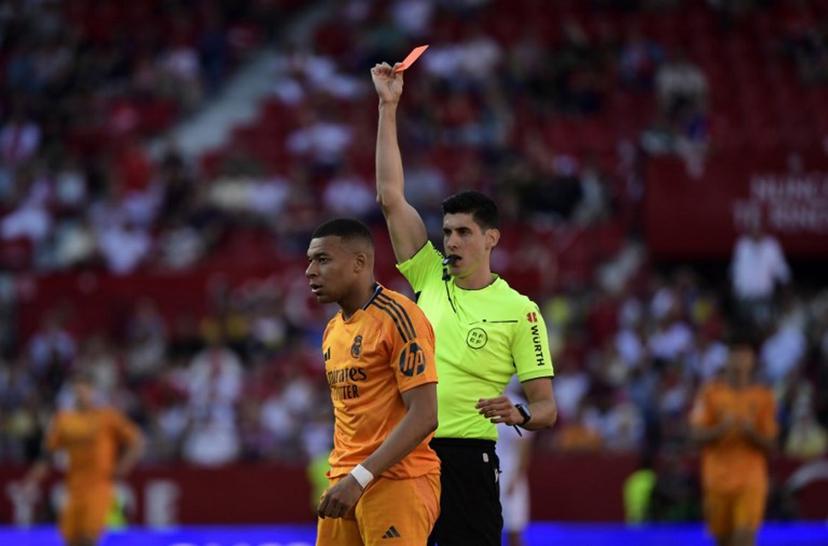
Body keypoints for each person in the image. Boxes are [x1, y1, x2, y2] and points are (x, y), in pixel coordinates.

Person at [371, 62, 558, 546]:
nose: (451, 241)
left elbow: (546, 408)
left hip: (470, 458)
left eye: (463, 233)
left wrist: (518, 414)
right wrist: (388, 107)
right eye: (447, 231)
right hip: (411, 452)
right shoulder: (429, 273)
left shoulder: (521, 310)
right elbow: (391, 197)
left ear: (490, 238)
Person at [306, 218, 440, 546]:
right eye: (310, 261)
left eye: (322, 259)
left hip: (397, 480)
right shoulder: (332, 330)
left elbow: (425, 414)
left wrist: (360, 476)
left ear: (360, 263)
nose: (310, 271)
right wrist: (347, 478)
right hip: (343, 483)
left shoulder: (399, 317)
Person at [20, 372, 145, 546]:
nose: (81, 394)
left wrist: (122, 467)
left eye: (84, 389)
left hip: (99, 486)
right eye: (76, 390)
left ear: (93, 392)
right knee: (71, 540)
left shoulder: (107, 417)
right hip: (73, 488)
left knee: (88, 537)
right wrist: (31, 481)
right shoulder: (64, 421)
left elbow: (137, 440)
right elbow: (46, 456)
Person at [690, 343, 778, 546]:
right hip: (716, 481)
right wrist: (721, 429)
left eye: (744, 357)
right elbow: (695, 436)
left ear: (752, 362)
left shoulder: (763, 397)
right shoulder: (710, 394)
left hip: (750, 481)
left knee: (744, 538)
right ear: (727, 360)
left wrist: (751, 433)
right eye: (735, 357)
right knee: (723, 541)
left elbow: (772, 444)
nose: (739, 363)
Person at [497, 379, 534, 546]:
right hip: (488, 473)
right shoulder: (481, 402)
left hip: (510, 476)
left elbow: (525, 446)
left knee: (514, 529)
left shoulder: (518, 405)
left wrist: (516, 477)